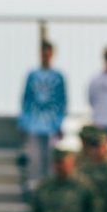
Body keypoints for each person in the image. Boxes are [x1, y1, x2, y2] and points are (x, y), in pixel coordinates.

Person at [19, 40, 68, 193]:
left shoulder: (58, 76)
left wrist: (59, 122)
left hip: (51, 124)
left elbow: (62, 100)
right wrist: (24, 121)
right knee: (34, 158)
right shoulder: (33, 75)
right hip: (34, 123)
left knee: (50, 157)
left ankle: (50, 186)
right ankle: (33, 186)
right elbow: (26, 99)